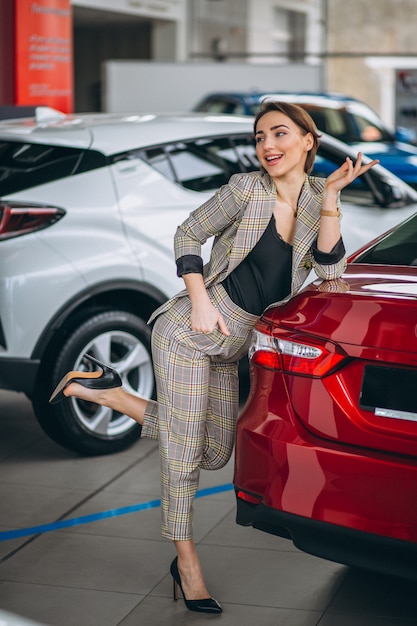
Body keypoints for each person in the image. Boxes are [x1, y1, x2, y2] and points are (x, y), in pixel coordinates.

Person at [49, 101, 379, 614]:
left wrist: (334, 196)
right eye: (259, 136)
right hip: (189, 331)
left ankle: (106, 391)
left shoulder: (318, 198)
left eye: (279, 134)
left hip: (232, 349)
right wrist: (199, 300)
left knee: (214, 454)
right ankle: (187, 565)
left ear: (308, 141)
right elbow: (188, 234)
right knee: (182, 456)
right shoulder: (245, 190)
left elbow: (331, 276)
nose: (267, 145)